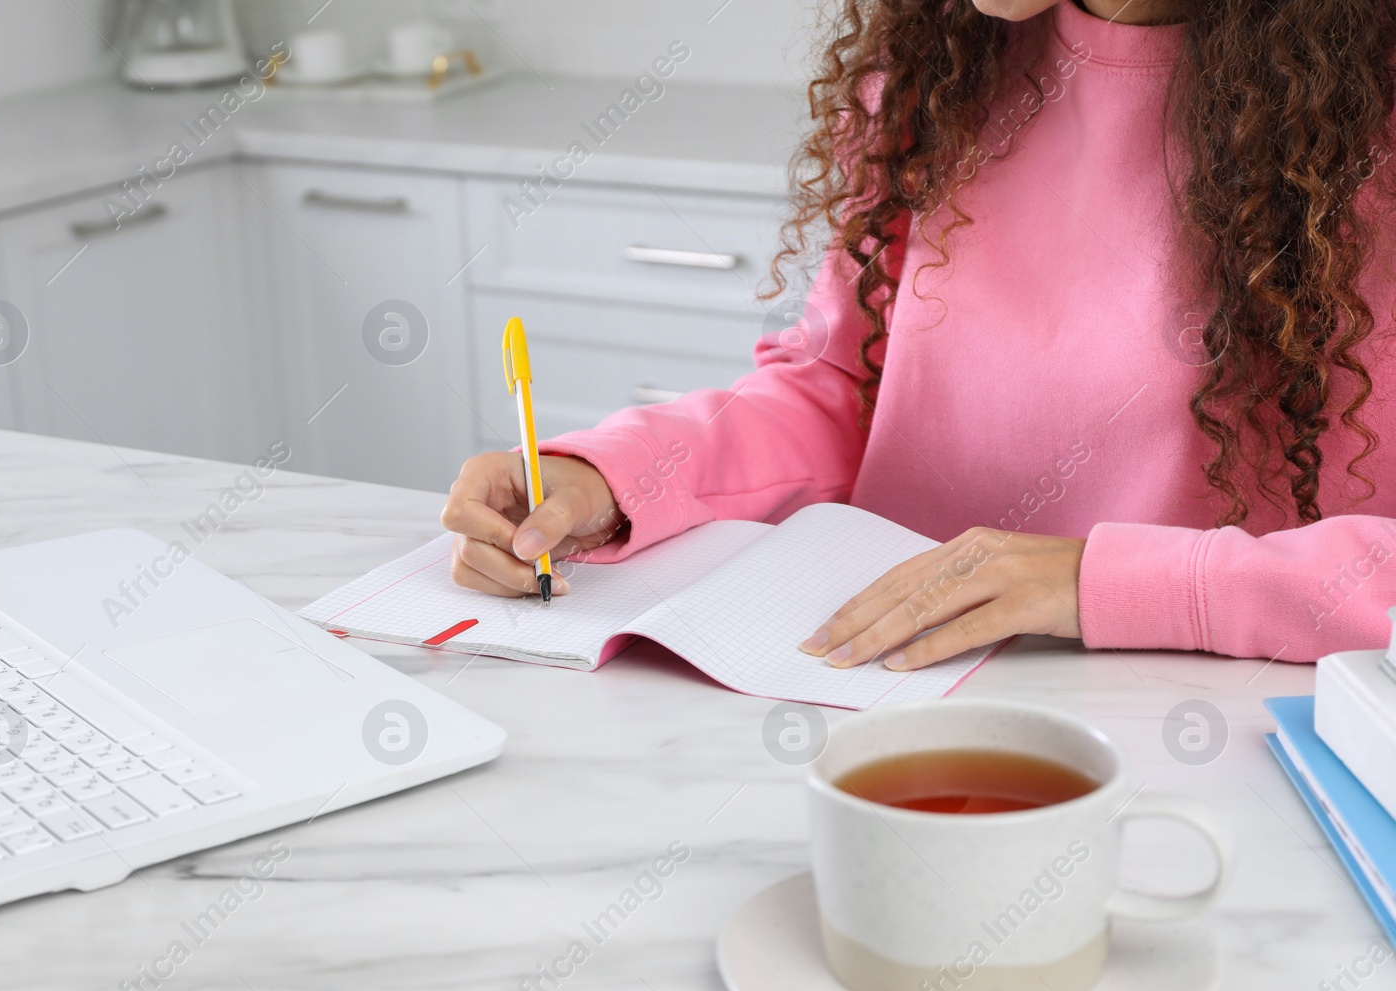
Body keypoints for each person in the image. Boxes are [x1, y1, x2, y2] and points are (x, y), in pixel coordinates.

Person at [441, 0, 1396, 671]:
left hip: (1218, 740)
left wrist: (1097, 583)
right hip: (886, 690)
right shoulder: (938, 74)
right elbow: (835, 393)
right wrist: (611, 480)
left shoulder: (1365, 126)